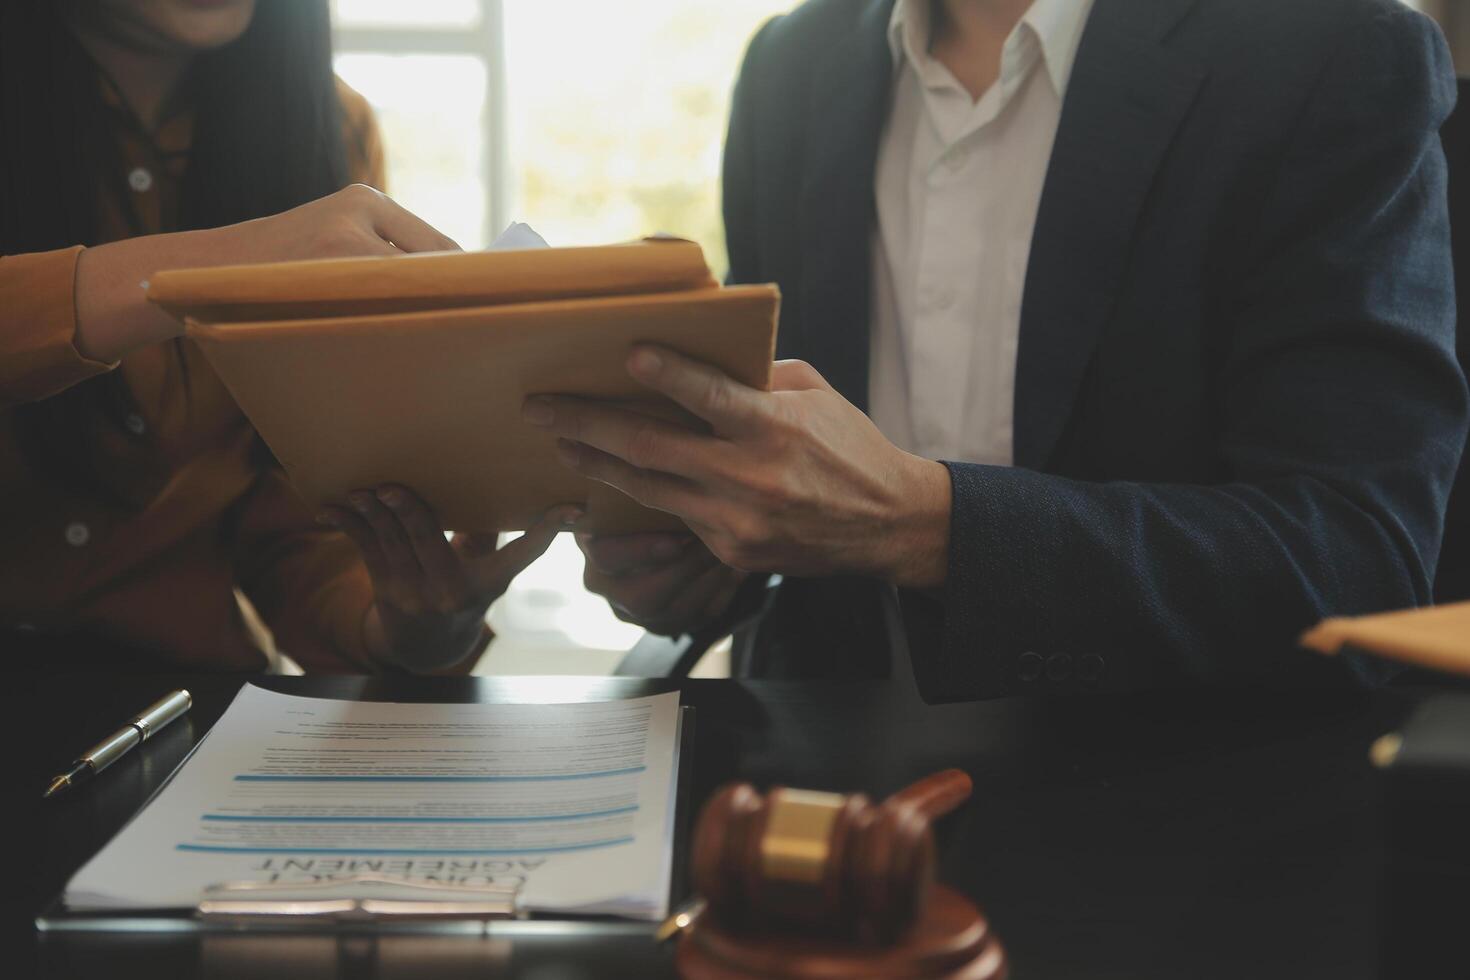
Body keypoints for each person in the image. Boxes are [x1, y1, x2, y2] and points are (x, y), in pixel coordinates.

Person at [529, 0, 1470, 697]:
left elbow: (1360, 563)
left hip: (1182, 802)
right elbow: (793, 504)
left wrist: (925, 526)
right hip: (819, 783)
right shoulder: (789, 65)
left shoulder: (1330, 52)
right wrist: (699, 556)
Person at [0, 0, 574, 673]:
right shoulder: (317, 209)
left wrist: (404, 627)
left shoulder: (327, 127)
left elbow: (295, 513)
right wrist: (225, 264)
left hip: (185, 716)